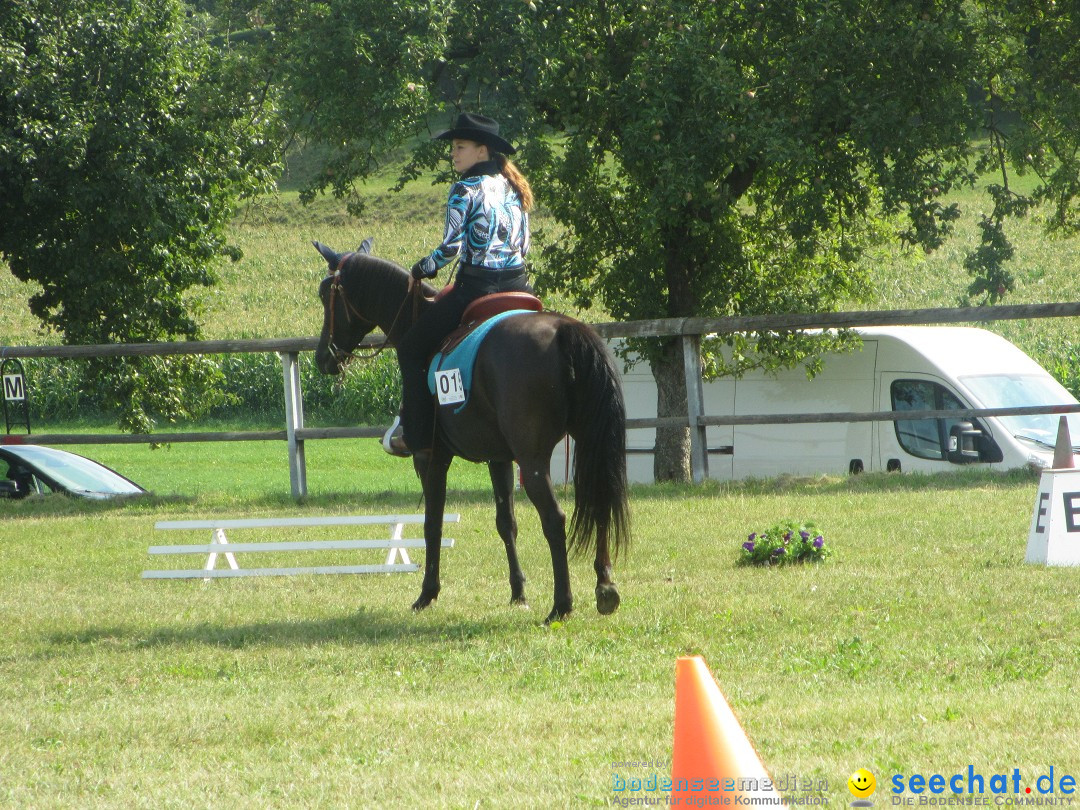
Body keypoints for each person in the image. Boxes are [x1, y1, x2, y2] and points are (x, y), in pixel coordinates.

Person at [384, 112, 534, 457]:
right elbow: (524, 246)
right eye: (453, 147)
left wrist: (423, 268)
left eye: (460, 146)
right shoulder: (514, 187)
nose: (453, 153)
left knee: (410, 349)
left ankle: (417, 436)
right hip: (519, 287)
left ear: (482, 150)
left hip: (477, 290)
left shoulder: (464, 188)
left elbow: (450, 248)